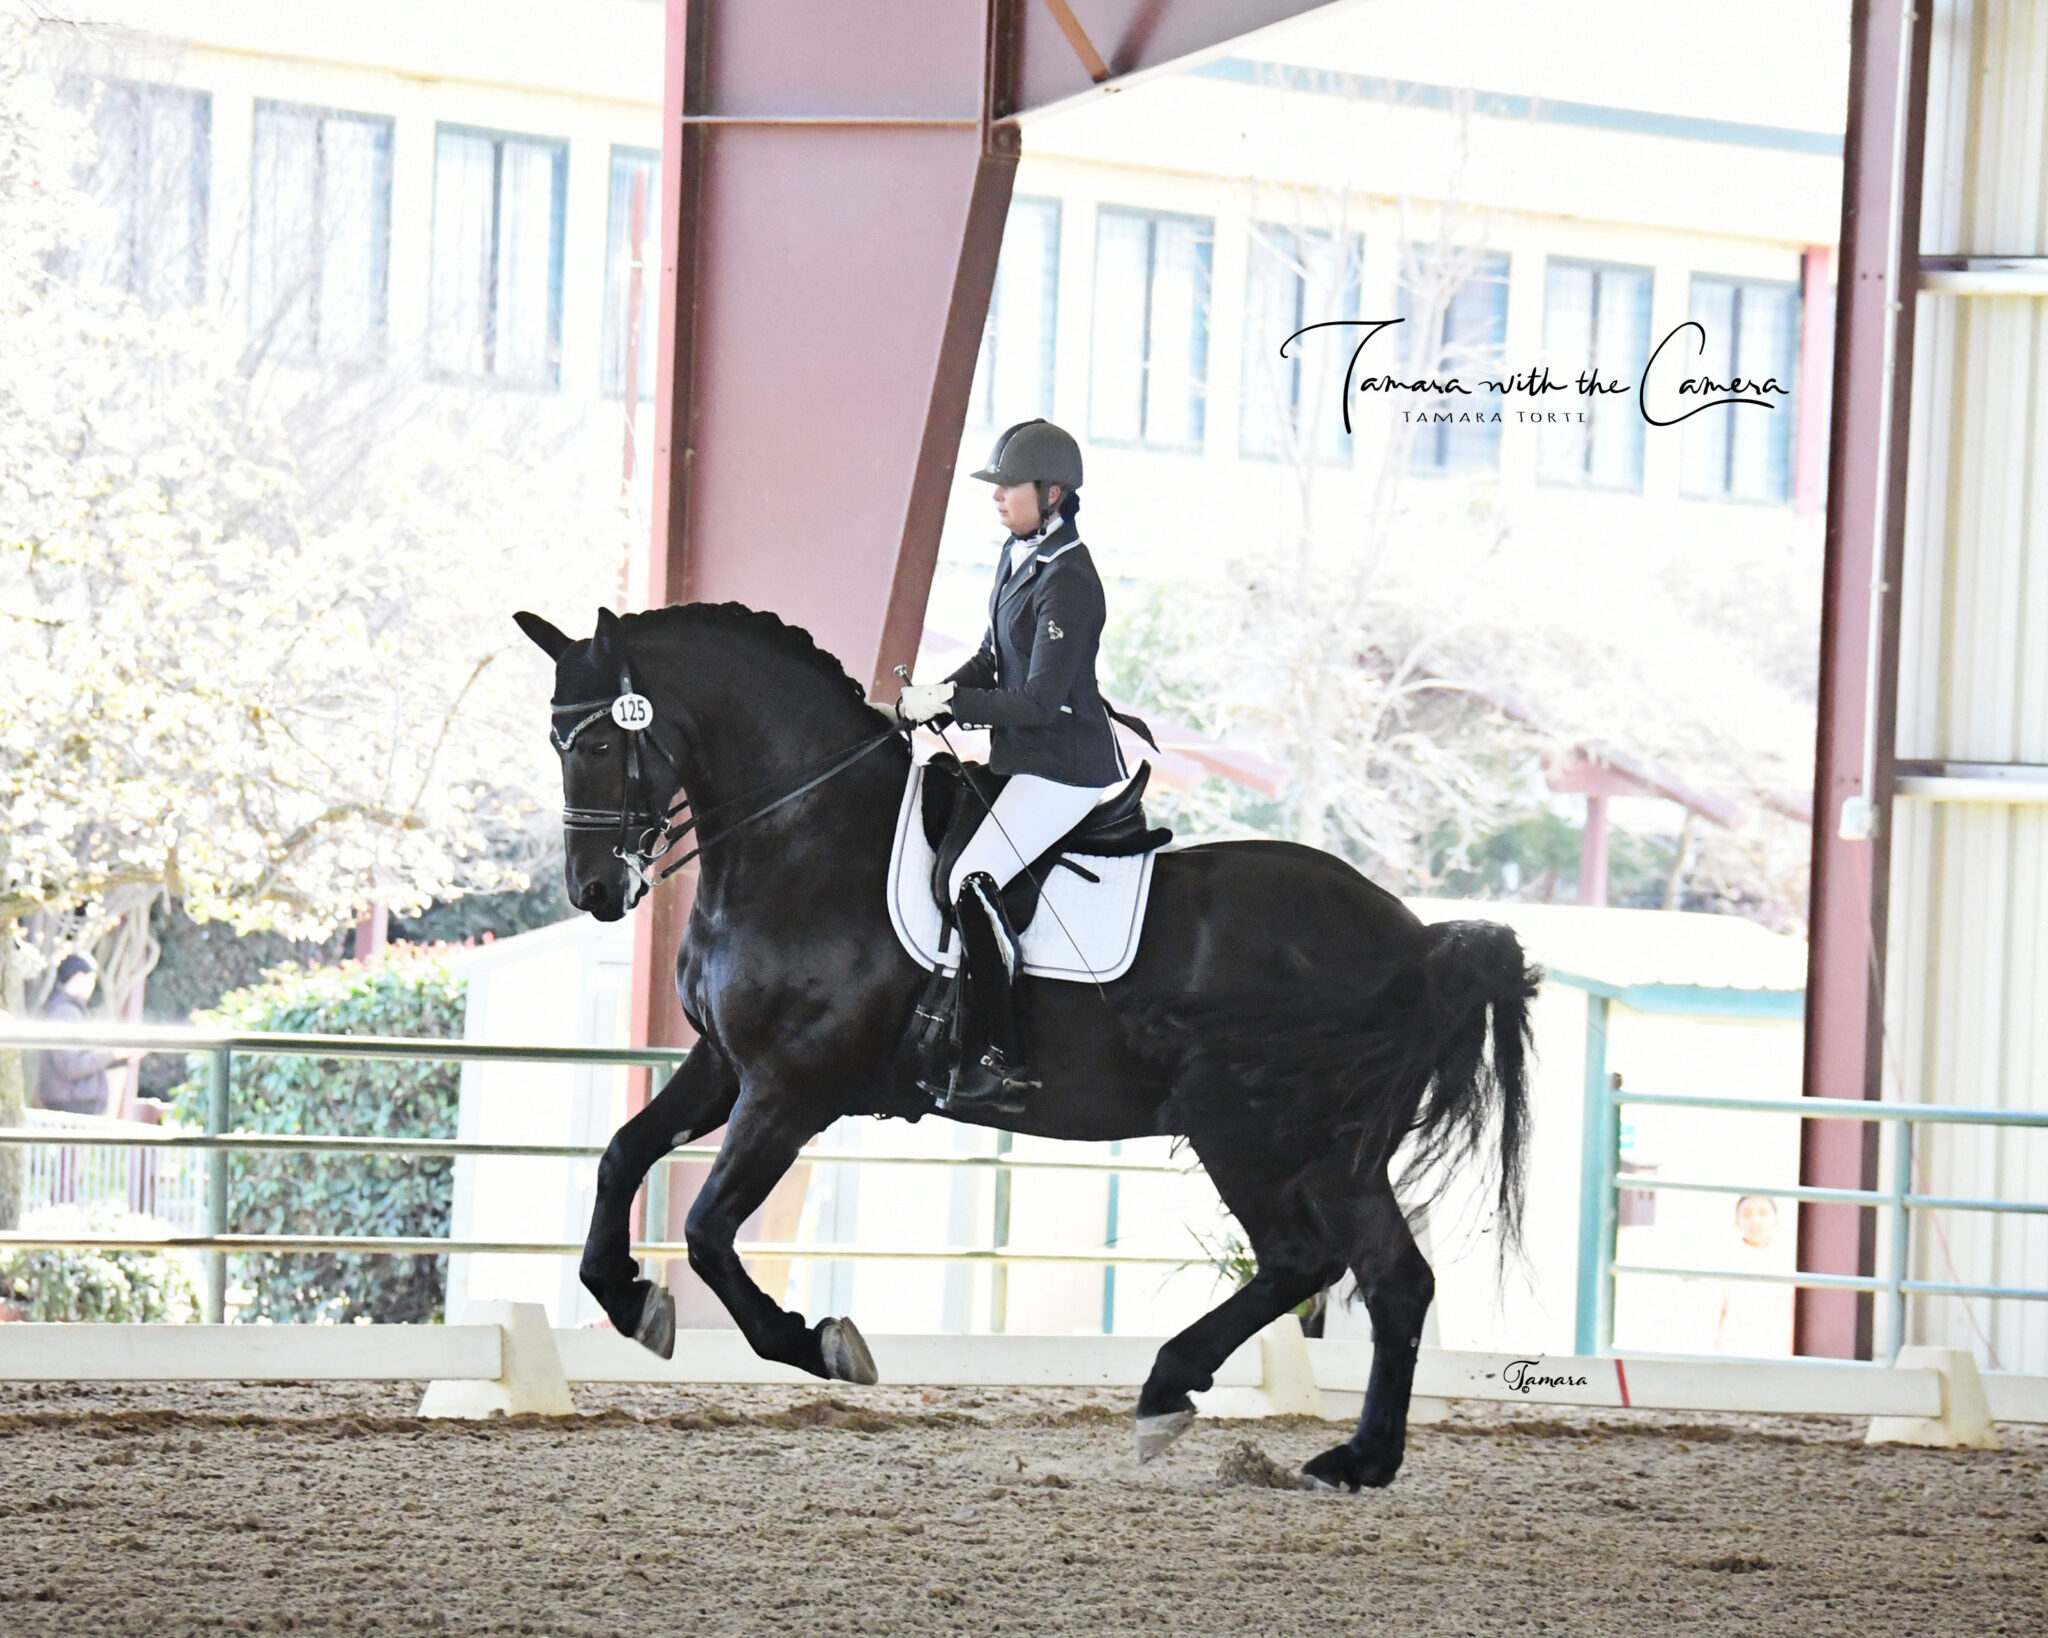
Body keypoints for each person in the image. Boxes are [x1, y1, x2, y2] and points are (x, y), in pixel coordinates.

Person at [894, 419, 1130, 1112]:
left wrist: (956, 702)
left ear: (1052, 493)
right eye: (995, 487)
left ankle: (1003, 1054)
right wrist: (935, 691)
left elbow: (1036, 698)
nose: (998, 497)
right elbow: (995, 657)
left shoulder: (1071, 580)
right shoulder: (1018, 555)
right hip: (1023, 756)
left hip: (1066, 766)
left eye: (1009, 487)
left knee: (973, 877)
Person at [35, 953, 131, 1117]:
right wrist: (113, 1053)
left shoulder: (68, 1011)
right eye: (92, 980)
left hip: (73, 1103)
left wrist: (119, 1058)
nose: (92, 987)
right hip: (72, 1105)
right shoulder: (64, 1013)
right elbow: (72, 1066)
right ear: (80, 977)